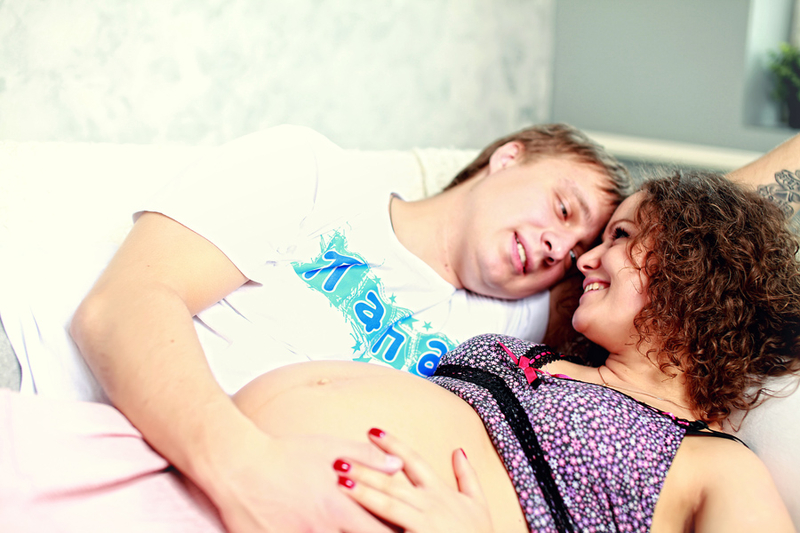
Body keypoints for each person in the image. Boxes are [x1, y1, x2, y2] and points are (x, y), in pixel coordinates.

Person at [5, 170, 797, 532]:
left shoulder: (715, 465)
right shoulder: (548, 351)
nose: (585, 257)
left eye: (619, 236)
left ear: (692, 266)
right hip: (200, 469)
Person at [63, 123, 631, 532]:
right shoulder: (313, 175)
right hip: (116, 444)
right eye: (563, 209)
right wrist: (244, 471)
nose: (558, 245)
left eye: (576, 251)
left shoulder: (511, 334)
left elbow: (668, 277)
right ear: (508, 157)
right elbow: (122, 304)